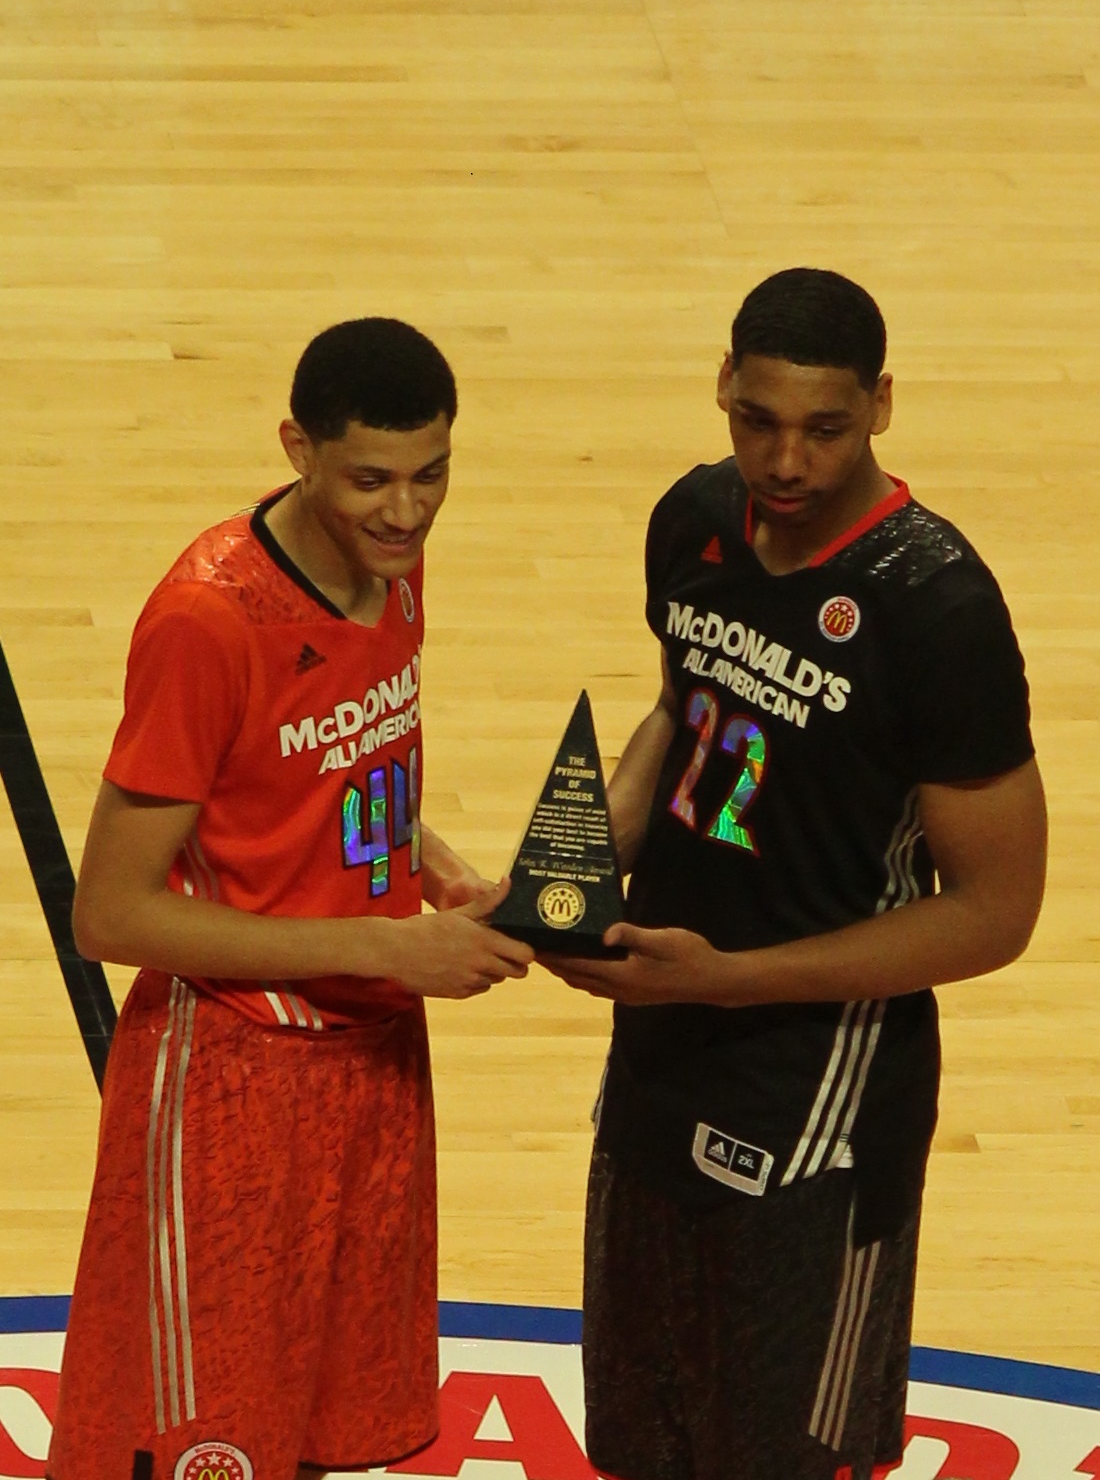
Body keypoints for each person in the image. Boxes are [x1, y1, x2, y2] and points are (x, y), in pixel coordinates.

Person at [545, 269, 1046, 1480]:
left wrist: (733, 981)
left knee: (779, 1461)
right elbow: (680, 705)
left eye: (821, 428)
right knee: (640, 1442)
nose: (783, 460)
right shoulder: (692, 522)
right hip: (658, 1042)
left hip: (819, 1107)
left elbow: (993, 914)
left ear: (879, 404)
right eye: (756, 419)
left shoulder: (938, 611)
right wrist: (573, 869)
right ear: (721, 387)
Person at [47, 318, 534, 1480]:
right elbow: (110, 913)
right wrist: (385, 941)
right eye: (370, 480)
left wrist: (436, 868)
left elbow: (325, 763)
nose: (406, 513)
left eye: (431, 477)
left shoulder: (386, 566)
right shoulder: (210, 621)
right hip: (232, 1075)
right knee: (207, 1451)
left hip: (369, 1061)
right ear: (297, 449)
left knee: (321, 1430)